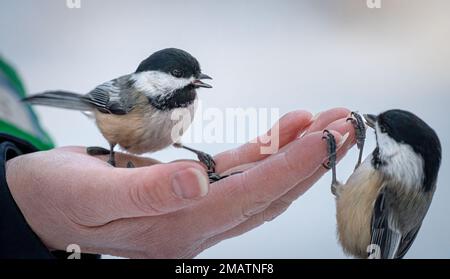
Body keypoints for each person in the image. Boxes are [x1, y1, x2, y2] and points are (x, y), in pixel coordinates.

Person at [0, 57, 356, 258]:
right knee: (118, 150)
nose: (191, 83)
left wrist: (194, 154)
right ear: (154, 79)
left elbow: (171, 133)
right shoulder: (133, 96)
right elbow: (104, 103)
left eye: (194, 78)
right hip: (117, 135)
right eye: (179, 76)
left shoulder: (187, 100)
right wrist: (111, 159)